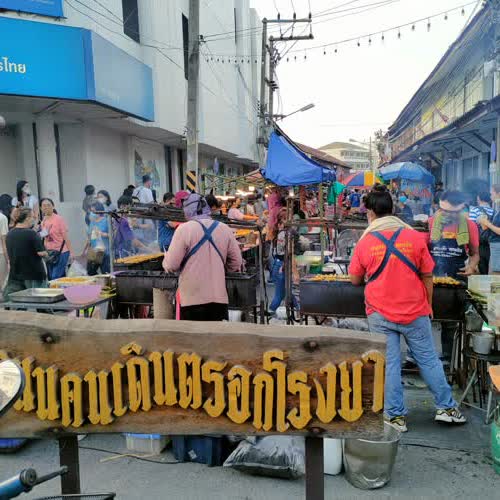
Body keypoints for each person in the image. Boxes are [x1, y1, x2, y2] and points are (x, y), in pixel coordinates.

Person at [349, 186, 466, 432]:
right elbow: (427, 275)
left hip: (379, 312)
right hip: (415, 310)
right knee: (428, 359)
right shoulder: (414, 237)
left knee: (390, 364)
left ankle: (395, 417)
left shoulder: (365, 242)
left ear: (370, 213)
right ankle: (447, 409)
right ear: (392, 209)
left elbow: (355, 279)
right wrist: (429, 305)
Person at [163, 193, 242, 321]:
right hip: (218, 299)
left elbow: (171, 265)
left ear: (187, 210)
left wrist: (165, 261)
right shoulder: (224, 228)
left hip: (191, 300)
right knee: (216, 333)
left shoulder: (184, 229)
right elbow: (236, 262)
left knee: (192, 334)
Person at [429, 190, 480, 279]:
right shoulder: (431, 222)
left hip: (458, 275)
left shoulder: (470, 225)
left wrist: (471, 267)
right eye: (443, 210)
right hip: (432, 275)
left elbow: (475, 254)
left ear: (461, 209)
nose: (446, 214)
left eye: (451, 212)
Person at [3, 208, 48, 301]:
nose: (34, 219)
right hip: (34, 274)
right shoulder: (31, 233)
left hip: (15, 274)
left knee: (18, 304)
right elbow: (41, 253)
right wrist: (47, 254)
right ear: (27, 218)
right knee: (40, 303)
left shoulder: (10, 234)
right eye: (33, 217)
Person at [268, 211, 298, 315]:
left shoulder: (280, 232)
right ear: (283, 220)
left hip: (278, 264)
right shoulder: (285, 234)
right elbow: (289, 253)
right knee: (280, 294)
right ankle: (270, 312)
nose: (292, 220)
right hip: (281, 265)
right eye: (289, 218)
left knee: (287, 292)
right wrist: (295, 272)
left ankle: (300, 311)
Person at [40, 198, 74, 280]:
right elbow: (44, 237)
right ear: (41, 208)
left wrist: (71, 252)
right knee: (53, 277)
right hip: (49, 253)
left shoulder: (59, 219)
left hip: (61, 252)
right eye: (44, 206)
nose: (46, 207)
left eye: (48, 205)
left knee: (55, 277)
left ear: (53, 206)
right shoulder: (43, 220)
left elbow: (65, 237)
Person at [469, 192, 494, 274]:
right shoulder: (494, 211)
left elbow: (471, 226)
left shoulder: (474, 210)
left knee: (481, 263)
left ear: (478, 199)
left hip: (478, 241)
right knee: (489, 262)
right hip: (490, 241)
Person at [478, 184, 500, 274]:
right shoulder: (497, 209)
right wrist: (485, 223)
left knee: (496, 275)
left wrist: (487, 223)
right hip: (494, 246)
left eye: (492, 193)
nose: (490, 196)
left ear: (498, 194)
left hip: (497, 246)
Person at [85, 201, 110, 275]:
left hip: (104, 252)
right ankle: (98, 281)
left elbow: (112, 235)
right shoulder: (92, 222)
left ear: (99, 211)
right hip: (94, 252)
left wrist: (101, 233)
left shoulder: (106, 221)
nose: (91, 213)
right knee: (90, 272)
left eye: (93, 211)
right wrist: (86, 249)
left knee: (106, 273)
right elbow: (89, 237)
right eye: (91, 211)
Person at [0, 207, 8, 291]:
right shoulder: (2, 218)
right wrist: (8, 259)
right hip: (1, 253)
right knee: (3, 283)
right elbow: (4, 240)